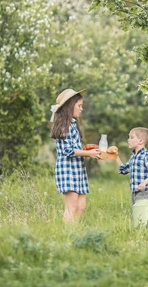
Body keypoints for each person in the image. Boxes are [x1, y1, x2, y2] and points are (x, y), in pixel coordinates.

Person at [50, 88, 101, 223]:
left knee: (81, 206)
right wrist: (88, 153)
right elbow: (66, 150)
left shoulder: (73, 125)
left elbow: (74, 148)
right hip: (68, 169)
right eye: (79, 106)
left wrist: (86, 150)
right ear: (69, 107)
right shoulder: (64, 126)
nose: (81, 109)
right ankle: (66, 234)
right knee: (71, 207)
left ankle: (74, 230)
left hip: (77, 168)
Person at [116, 127, 148, 206]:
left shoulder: (147, 156)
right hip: (135, 190)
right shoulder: (133, 157)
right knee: (137, 211)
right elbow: (124, 169)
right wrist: (116, 157)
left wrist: (144, 183)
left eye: (131, 137)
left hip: (145, 191)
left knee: (143, 211)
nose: (128, 140)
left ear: (140, 141)